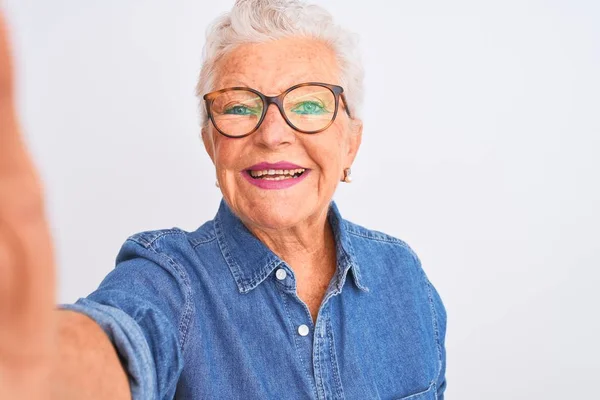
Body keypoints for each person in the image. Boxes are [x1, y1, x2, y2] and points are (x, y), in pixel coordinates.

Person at [0, 0, 447, 399]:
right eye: (238, 107)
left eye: (309, 105)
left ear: (351, 142)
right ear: (212, 143)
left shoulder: (403, 276)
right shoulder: (170, 281)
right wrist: (35, 360)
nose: (272, 134)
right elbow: (119, 341)